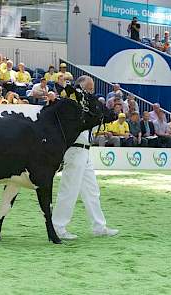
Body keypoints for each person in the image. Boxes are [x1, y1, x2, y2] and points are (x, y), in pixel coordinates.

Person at [52, 75, 119, 240]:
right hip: (74, 150)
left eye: (92, 89)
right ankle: (58, 227)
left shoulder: (87, 104)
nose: (91, 92)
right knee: (69, 189)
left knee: (92, 190)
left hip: (85, 150)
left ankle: (99, 226)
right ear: (80, 88)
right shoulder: (72, 103)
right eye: (88, 89)